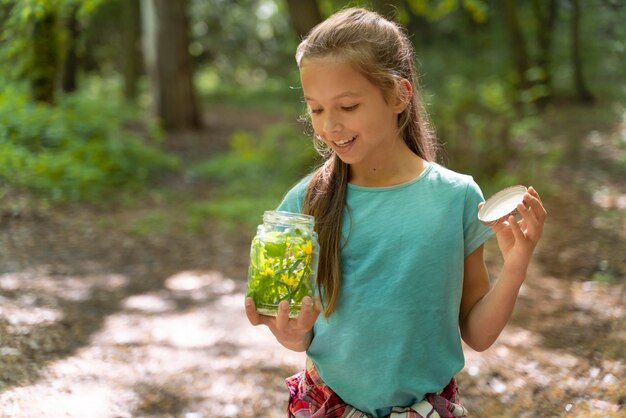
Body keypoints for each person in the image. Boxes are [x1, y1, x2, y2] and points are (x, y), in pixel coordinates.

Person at [245, 7, 547, 418]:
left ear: (400, 95)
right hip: (326, 407)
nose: (330, 125)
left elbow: (477, 334)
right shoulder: (305, 204)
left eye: (348, 106)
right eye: (316, 109)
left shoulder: (456, 197)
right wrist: (290, 332)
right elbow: (301, 334)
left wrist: (515, 267)